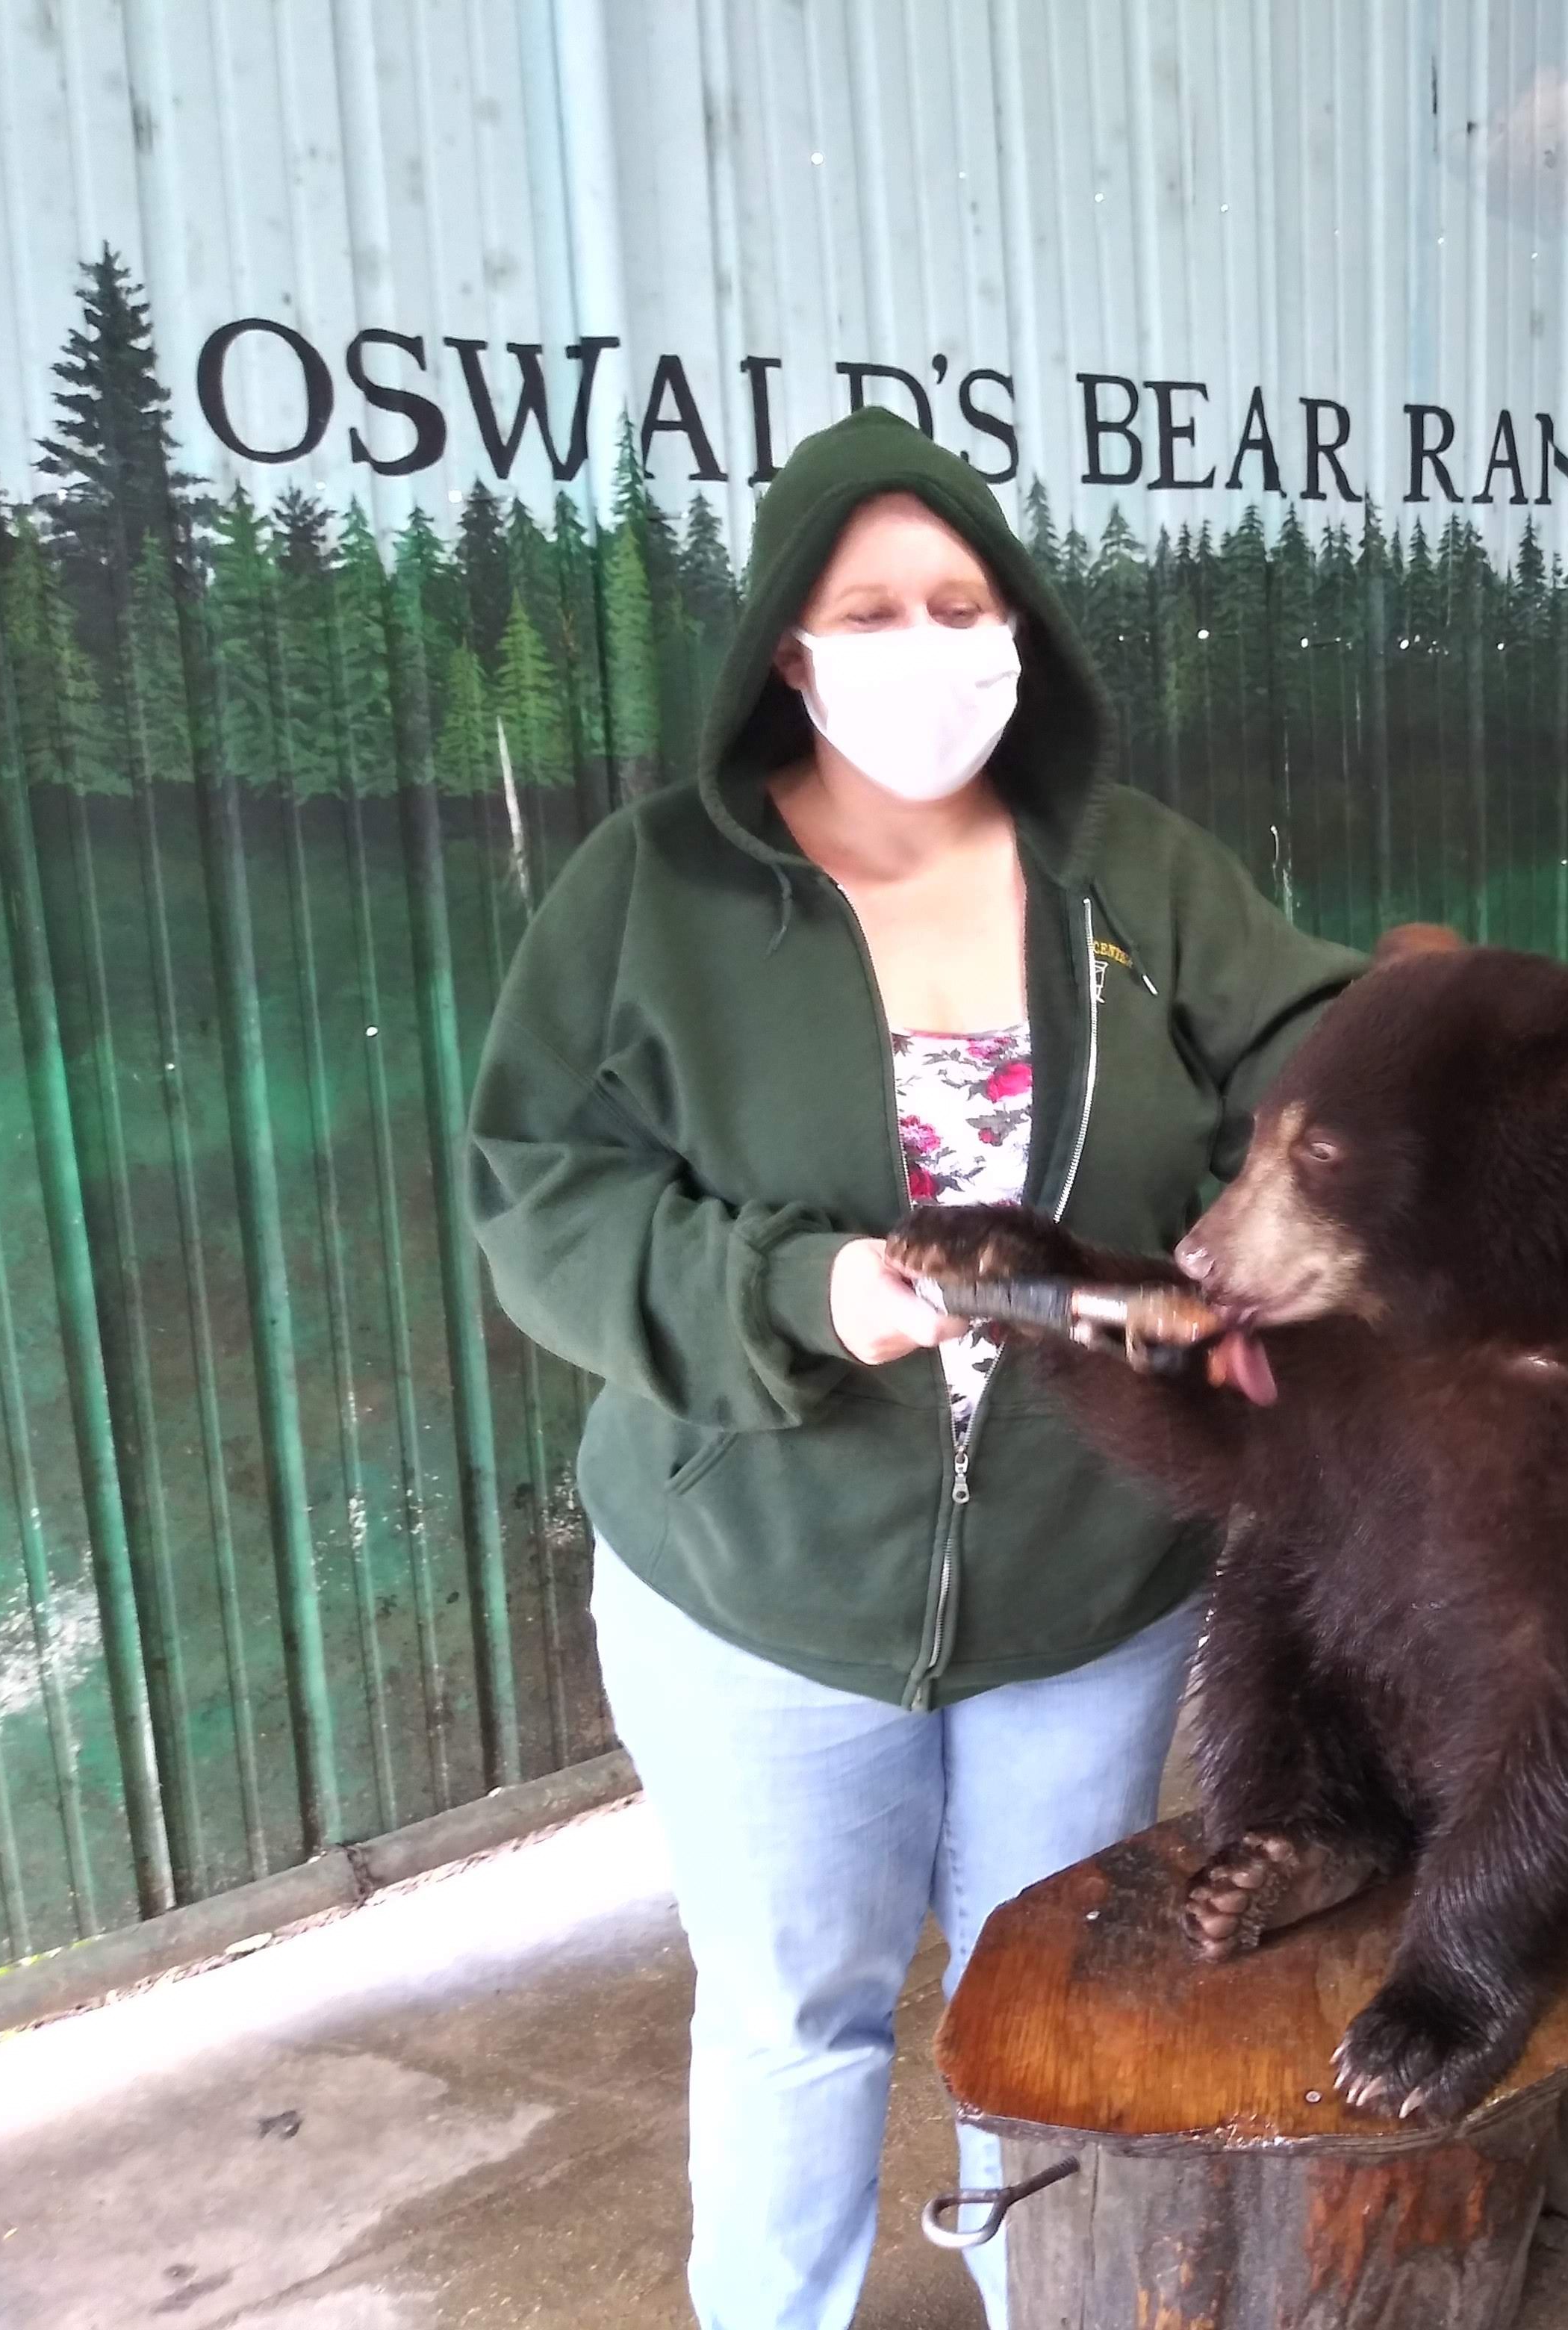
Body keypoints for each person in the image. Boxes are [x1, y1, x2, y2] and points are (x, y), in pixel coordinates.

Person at [467, 408, 1362, 2330]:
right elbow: (540, 1193)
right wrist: (801, 1288)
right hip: (763, 1588)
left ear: (1018, 627)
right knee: (799, 2016)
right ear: (790, 649)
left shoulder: (1127, 868)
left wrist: (1243, 1245)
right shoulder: (652, 890)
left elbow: (1316, 1058)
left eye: (963, 601)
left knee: (1047, 2008)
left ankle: (1049, 2296)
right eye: (872, 608)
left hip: (1088, 1578)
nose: (929, 641)